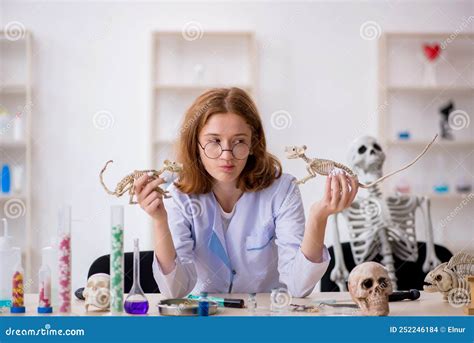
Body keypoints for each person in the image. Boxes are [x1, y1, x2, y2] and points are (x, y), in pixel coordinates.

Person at [134, 87, 358, 298]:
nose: (227, 155)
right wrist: (159, 220)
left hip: (264, 318)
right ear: (195, 145)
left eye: (239, 141)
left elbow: (299, 286)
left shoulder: (282, 190)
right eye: (214, 141)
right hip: (206, 320)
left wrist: (319, 217)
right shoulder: (179, 196)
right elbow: (176, 290)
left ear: (253, 143)